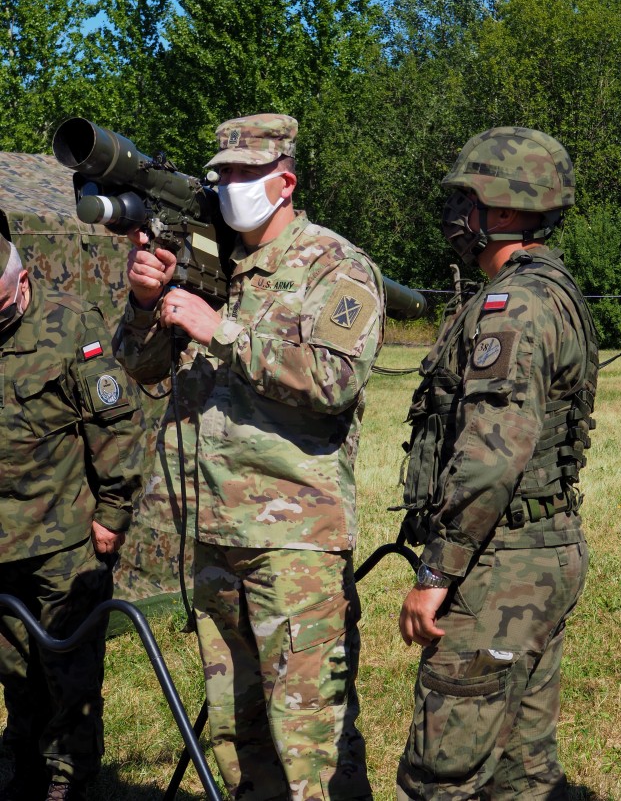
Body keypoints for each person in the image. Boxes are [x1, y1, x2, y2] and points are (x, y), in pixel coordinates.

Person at [114, 113, 385, 800]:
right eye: (221, 174)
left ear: (284, 182)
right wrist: (149, 303)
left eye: (243, 174)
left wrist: (221, 328)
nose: (227, 186)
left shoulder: (336, 266)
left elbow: (332, 380)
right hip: (215, 537)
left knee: (309, 740)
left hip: (294, 545)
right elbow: (140, 367)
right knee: (238, 739)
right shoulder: (211, 266)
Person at [395, 127, 598, 800]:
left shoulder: (518, 307)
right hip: (538, 550)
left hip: (502, 563)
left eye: (469, 201)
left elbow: (492, 456)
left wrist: (436, 570)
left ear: (508, 210)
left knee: (439, 776)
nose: (458, 218)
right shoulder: (551, 290)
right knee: (521, 771)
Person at [0, 237, 145, 801]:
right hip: (3, 542)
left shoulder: (68, 325)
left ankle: (69, 778)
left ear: (23, 283)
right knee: (14, 666)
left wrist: (113, 513)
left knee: (67, 667)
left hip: (63, 540)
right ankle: (28, 766)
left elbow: (117, 425)